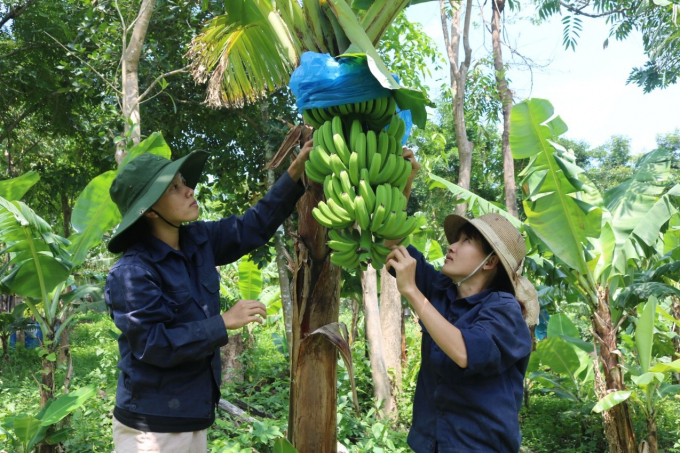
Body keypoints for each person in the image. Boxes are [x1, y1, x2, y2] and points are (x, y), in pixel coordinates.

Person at [104, 141, 312, 453]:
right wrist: (222, 322)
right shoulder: (132, 272)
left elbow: (251, 227)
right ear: (149, 211)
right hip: (153, 428)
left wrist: (294, 173)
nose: (188, 190)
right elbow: (153, 344)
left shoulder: (197, 240)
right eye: (174, 188)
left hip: (191, 416)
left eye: (183, 183)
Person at [385, 158, 539, 453]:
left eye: (466, 241)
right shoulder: (442, 290)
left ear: (490, 261)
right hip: (431, 443)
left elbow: (465, 352)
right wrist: (406, 182)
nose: (451, 246)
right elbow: (391, 241)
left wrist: (412, 293)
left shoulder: (505, 311)